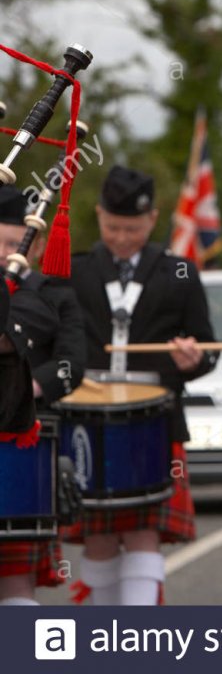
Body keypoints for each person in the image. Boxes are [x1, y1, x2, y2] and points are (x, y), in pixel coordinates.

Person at [65, 166, 218, 605]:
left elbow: (206, 347)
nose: (121, 237)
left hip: (155, 421)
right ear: (98, 216)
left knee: (143, 532)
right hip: (86, 419)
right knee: (97, 537)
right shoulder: (73, 271)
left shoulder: (180, 272)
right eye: (113, 227)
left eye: (132, 228)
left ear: (152, 221)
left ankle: (138, 643)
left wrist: (193, 359)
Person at [0, 188, 86, 605]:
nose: (4, 253)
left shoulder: (53, 294)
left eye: (13, 244)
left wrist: (23, 391)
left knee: (16, 581)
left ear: (31, 245)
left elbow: (72, 365)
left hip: (20, 443)